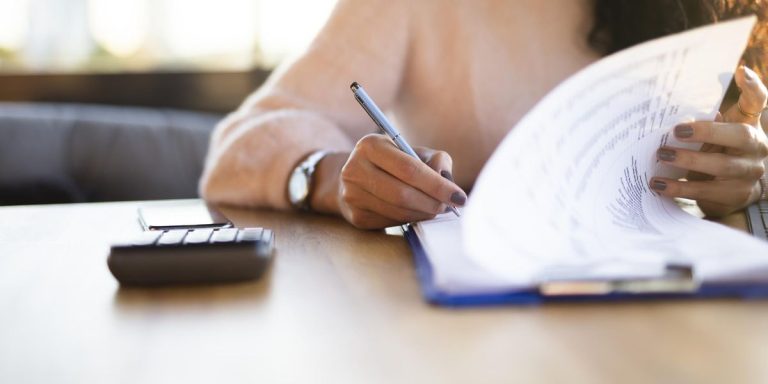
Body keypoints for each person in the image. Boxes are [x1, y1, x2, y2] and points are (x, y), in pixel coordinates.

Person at [200, 0, 768, 229]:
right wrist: (327, 179)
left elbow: (749, 146)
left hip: (682, 308)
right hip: (475, 318)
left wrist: (753, 177)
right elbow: (242, 143)